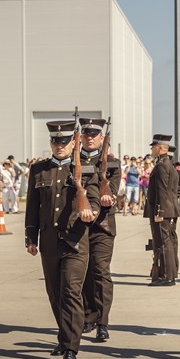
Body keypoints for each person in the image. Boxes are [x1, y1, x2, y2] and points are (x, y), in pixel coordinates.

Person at [25, 120, 100, 359]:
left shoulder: (86, 169)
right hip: (48, 242)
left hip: (75, 241)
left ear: (73, 143)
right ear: (50, 143)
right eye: (55, 141)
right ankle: (63, 334)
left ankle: (70, 347)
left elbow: (95, 200)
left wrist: (91, 212)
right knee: (55, 294)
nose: (59, 145)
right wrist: (30, 237)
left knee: (70, 292)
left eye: (64, 141)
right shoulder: (39, 170)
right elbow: (32, 208)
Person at [78, 118, 121, 342]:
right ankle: (88, 316)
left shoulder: (111, 163)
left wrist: (108, 195)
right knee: (83, 273)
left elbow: (112, 187)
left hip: (102, 225)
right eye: (86, 134)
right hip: (79, 225)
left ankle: (103, 322)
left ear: (102, 138)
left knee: (100, 271)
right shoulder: (73, 162)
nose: (90, 137)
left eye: (94, 134)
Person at [144, 134, 180, 286]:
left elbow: (162, 191)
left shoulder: (161, 166)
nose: (152, 149)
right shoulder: (167, 164)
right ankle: (169, 274)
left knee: (163, 243)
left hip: (163, 210)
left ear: (160, 148)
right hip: (169, 209)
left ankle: (166, 276)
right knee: (167, 242)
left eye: (153, 146)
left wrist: (159, 212)